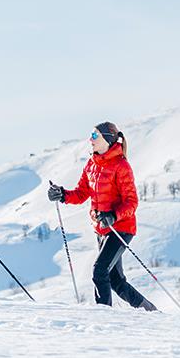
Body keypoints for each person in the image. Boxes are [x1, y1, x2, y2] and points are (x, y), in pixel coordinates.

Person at [47, 122, 157, 311]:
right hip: (102, 229)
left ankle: (103, 316)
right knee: (116, 281)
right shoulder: (92, 164)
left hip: (120, 228)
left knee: (99, 271)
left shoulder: (121, 166)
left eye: (95, 135)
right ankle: (151, 311)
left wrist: (113, 216)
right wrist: (62, 194)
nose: (91, 139)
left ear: (107, 139)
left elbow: (132, 202)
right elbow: (81, 193)